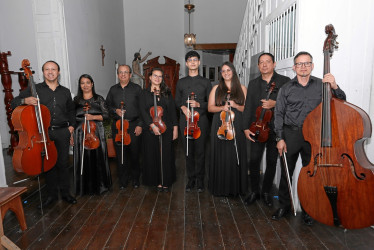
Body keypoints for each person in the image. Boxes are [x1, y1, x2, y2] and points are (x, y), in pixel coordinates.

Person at [272, 51, 346, 225]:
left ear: (312, 66)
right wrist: (280, 138)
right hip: (291, 134)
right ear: (294, 67)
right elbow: (279, 114)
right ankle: (284, 206)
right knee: (286, 172)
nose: (303, 67)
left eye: (307, 63)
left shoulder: (323, 85)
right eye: (300, 64)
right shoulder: (286, 89)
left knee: (311, 175)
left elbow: (342, 100)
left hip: (313, 136)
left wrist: (335, 85)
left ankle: (308, 210)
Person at [11, 60, 77, 207]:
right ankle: (51, 196)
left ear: (58, 72)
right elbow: (13, 102)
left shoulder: (65, 91)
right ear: (43, 72)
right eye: (47, 69)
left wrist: (71, 126)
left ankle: (66, 194)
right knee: (49, 165)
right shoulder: (35, 88)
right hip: (43, 133)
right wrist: (25, 100)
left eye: (53, 69)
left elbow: (71, 110)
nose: (50, 72)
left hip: (62, 131)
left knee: (62, 163)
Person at [243, 53, 290, 207]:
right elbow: (249, 106)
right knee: (254, 160)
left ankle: (266, 192)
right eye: (261, 62)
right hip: (257, 128)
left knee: (271, 161)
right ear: (258, 66)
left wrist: (274, 104)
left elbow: (290, 103)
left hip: (276, 129)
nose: (264, 65)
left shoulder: (284, 81)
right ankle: (255, 191)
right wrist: (245, 128)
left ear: (274, 64)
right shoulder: (253, 83)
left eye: (267, 62)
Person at [207, 61, 248, 196]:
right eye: (223, 71)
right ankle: (220, 187)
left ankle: (236, 188)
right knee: (221, 156)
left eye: (228, 70)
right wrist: (222, 108)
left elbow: (246, 109)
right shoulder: (216, 88)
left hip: (237, 126)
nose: (226, 73)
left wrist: (235, 105)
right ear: (221, 74)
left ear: (233, 72)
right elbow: (210, 108)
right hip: (220, 126)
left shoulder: (242, 88)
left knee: (235, 156)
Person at [175, 51, 212, 192]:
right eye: (189, 60)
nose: (192, 62)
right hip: (185, 121)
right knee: (188, 152)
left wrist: (199, 105)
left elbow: (210, 103)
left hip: (201, 120)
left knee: (201, 152)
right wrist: (183, 107)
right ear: (186, 63)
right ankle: (191, 180)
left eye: (195, 60)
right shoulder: (181, 82)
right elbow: (177, 101)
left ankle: (200, 181)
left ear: (198, 62)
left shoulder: (206, 82)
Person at [139, 68, 178, 192]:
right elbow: (143, 112)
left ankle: (165, 181)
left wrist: (175, 128)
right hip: (149, 128)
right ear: (149, 78)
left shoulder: (166, 93)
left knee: (166, 154)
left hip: (166, 127)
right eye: (155, 76)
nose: (157, 78)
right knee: (152, 154)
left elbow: (172, 111)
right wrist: (152, 125)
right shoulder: (144, 94)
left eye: (160, 76)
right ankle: (155, 181)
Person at [73, 74, 112, 195]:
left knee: (98, 159)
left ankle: (100, 186)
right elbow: (71, 118)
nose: (85, 85)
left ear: (92, 84)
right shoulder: (76, 100)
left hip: (96, 133)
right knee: (82, 159)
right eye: (82, 83)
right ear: (80, 85)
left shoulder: (98, 99)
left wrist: (93, 117)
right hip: (80, 133)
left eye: (87, 82)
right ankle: (83, 188)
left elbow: (107, 115)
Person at [106, 64, 143, 189]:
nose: (123, 74)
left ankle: (136, 179)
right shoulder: (112, 89)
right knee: (121, 155)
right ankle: (123, 180)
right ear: (117, 75)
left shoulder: (137, 89)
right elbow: (107, 106)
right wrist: (115, 110)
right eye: (120, 72)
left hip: (133, 125)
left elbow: (143, 109)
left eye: (125, 72)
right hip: (118, 126)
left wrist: (140, 125)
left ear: (130, 75)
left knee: (135, 154)